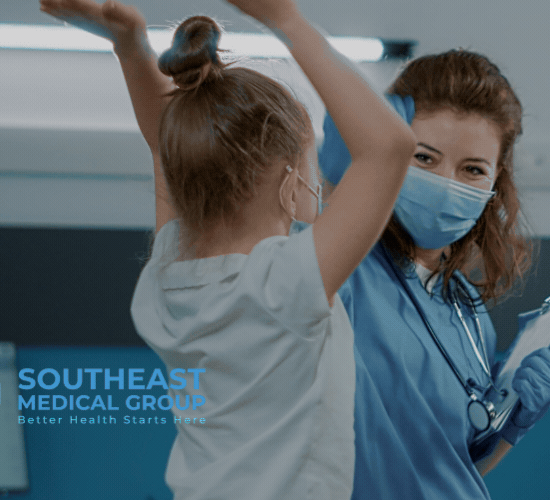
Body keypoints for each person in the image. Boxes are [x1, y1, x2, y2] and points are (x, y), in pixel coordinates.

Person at [40, 0, 415, 498]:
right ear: (288, 179)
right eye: (310, 154)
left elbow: (164, 145)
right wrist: (285, 19)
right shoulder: (282, 283)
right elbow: (388, 147)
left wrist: (130, 47)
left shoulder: (169, 276)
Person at [315, 50, 550, 499]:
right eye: (425, 158)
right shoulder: (343, 268)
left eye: (472, 169)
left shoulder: (468, 314)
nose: (446, 181)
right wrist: (339, 189)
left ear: (495, 184)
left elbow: (458, 466)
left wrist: (514, 422)